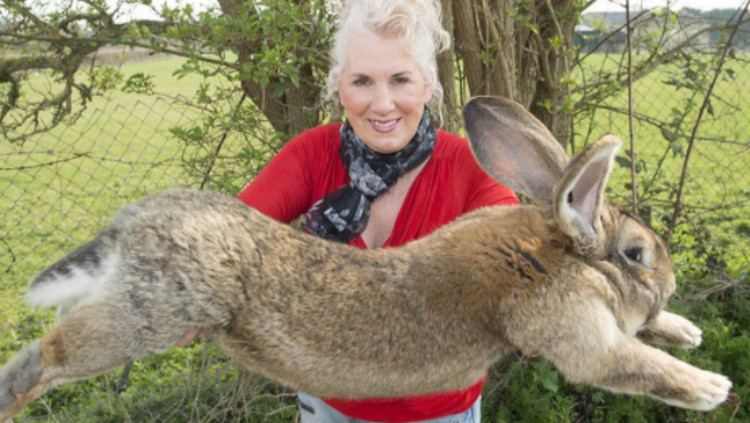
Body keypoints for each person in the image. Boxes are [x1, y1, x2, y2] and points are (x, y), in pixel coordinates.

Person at [235, 0, 519, 422]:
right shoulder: (313, 154)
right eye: (363, 81)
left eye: (400, 79)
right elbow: (226, 236)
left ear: (427, 85)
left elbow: (521, 262)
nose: (383, 104)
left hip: (435, 411)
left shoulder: (469, 170)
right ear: (340, 88)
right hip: (328, 402)